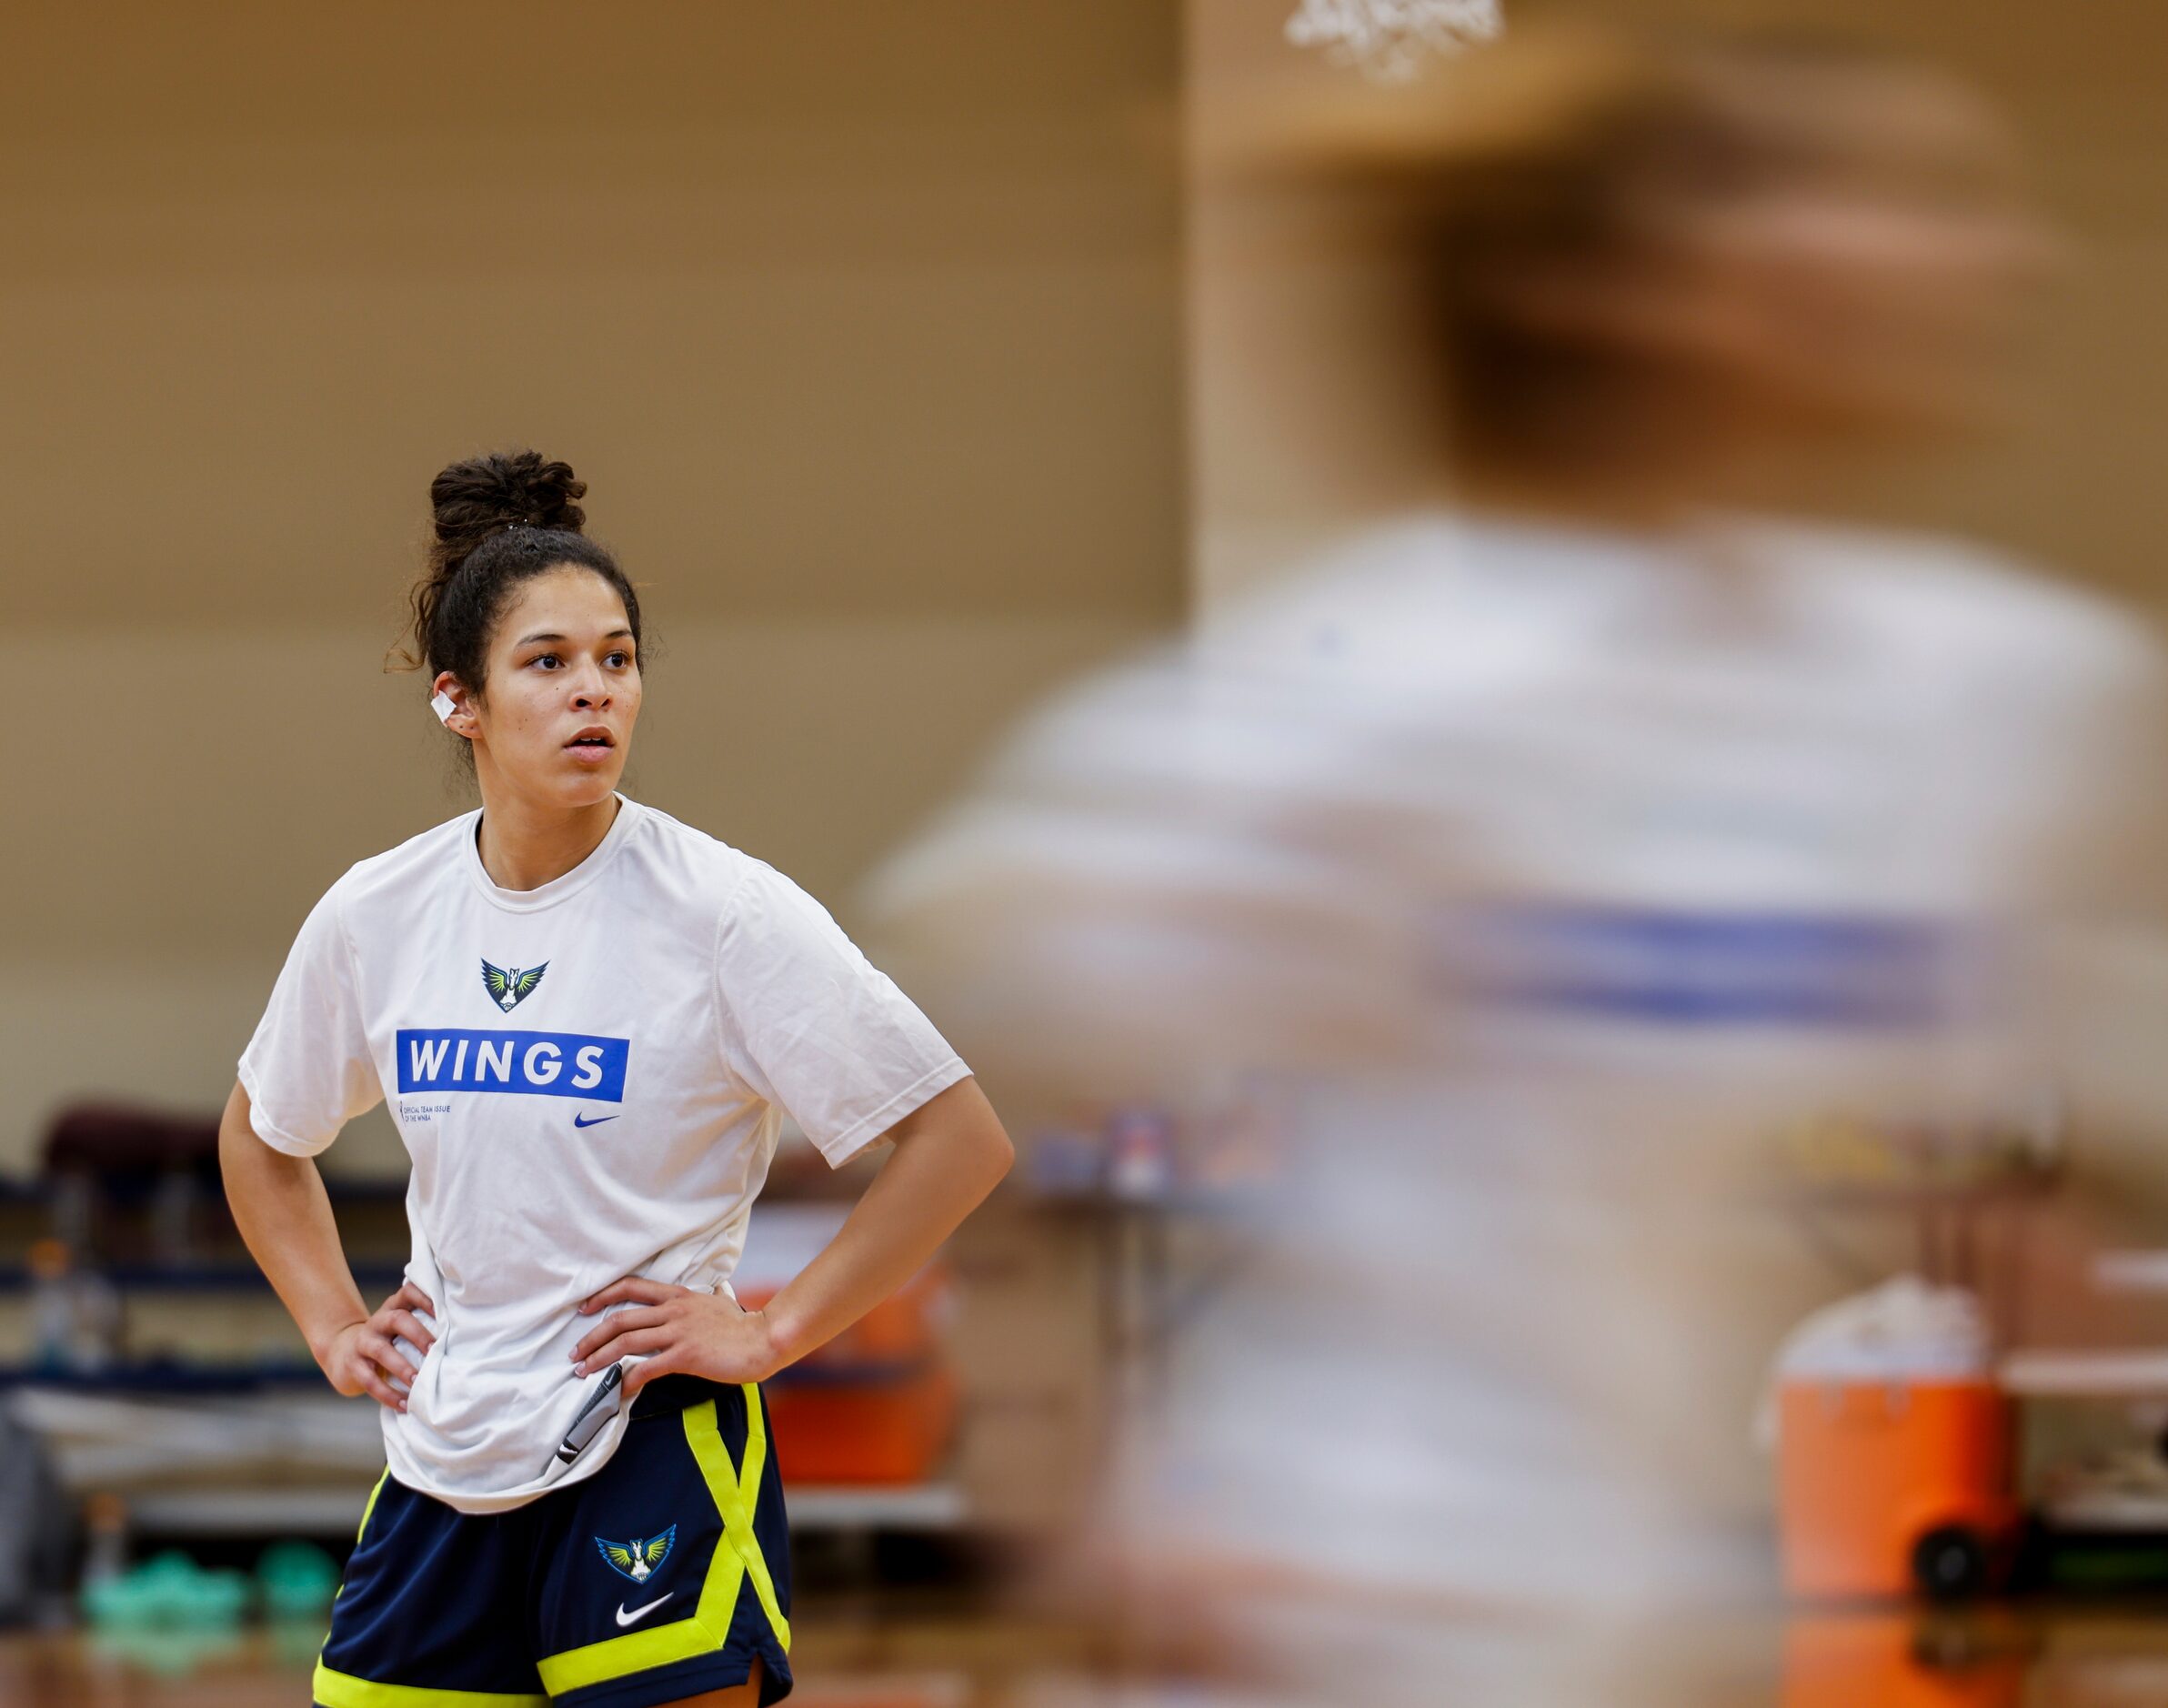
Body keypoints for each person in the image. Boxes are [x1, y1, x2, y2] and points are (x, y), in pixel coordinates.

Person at [868, 29, 2168, 1705]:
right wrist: (1067, 1477)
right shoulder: (1338, 706)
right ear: (1610, 281)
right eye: (1884, 198)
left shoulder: (1993, 693)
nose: (1991, 254)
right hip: (1352, 1609)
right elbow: (938, 1088)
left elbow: (2054, 1118)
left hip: (1690, 1610)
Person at [220, 449, 1013, 1708]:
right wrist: (330, 1319)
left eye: (618, 657)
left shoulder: (726, 913)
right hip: (444, 1454)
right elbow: (264, 1135)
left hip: (650, 1439)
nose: (595, 690)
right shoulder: (377, 912)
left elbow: (959, 1140)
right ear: (457, 699)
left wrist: (773, 1329)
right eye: (548, 662)